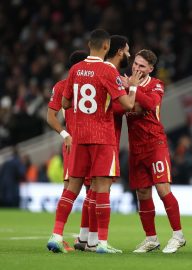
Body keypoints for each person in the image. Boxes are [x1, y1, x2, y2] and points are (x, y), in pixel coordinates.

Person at [46, 28, 141, 254]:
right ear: (106, 47)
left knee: (71, 189)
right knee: (101, 189)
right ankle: (101, 243)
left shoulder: (75, 70)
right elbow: (127, 105)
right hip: (102, 137)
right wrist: (134, 86)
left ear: (90, 45)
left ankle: (56, 235)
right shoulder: (108, 70)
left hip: (78, 137)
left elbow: (66, 103)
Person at [124, 49, 186, 254]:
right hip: (136, 147)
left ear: (150, 69)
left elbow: (150, 104)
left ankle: (178, 235)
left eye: (142, 66)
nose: (136, 68)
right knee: (142, 192)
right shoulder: (123, 84)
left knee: (162, 188)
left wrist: (133, 87)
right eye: (135, 64)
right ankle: (151, 238)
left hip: (155, 143)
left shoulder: (156, 85)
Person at [46, 50, 89, 252]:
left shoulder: (62, 85)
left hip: (75, 143)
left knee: (77, 189)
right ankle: (64, 235)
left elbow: (52, 116)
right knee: (84, 188)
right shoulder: (65, 85)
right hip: (82, 142)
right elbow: (51, 116)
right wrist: (66, 135)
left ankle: (82, 237)